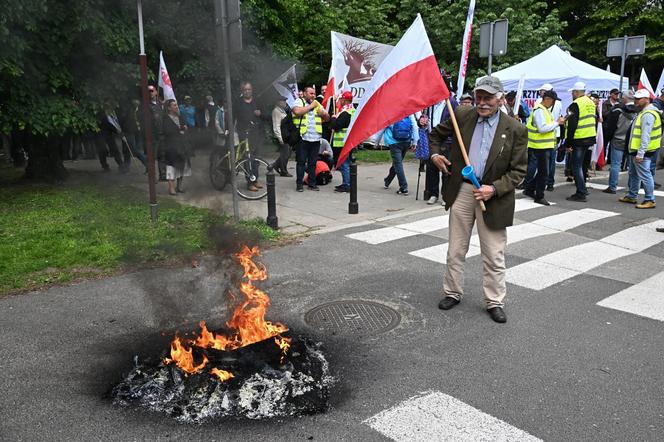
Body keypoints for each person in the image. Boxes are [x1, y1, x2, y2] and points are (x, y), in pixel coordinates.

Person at [429, 76, 527, 324]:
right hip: (462, 190)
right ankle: (452, 291)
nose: (482, 103)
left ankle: (494, 301)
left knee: (494, 254)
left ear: (500, 98)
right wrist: (435, 155)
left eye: (488, 98)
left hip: (493, 196)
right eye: (479, 97)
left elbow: (518, 171)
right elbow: (435, 136)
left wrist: (493, 189)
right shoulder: (462, 114)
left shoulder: (515, 129)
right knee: (456, 249)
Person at [618, 89, 661, 209]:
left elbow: (645, 136)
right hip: (637, 150)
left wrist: (640, 153)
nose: (636, 101)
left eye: (638, 99)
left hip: (642, 151)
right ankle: (632, 195)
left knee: (645, 175)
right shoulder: (644, 112)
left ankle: (650, 199)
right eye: (635, 98)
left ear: (647, 99)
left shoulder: (648, 114)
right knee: (634, 174)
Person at [523, 90, 566, 205]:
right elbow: (542, 129)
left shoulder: (543, 110)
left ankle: (530, 189)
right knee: (543, 173)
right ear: (547, 99)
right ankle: (539, 196)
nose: (553, 104)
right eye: (553, 101)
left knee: (542, 172)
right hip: (539, 146)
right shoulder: (540, 111)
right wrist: (557, 123)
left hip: (542, 145)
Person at [291, 85, 330, 191]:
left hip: (316, 138)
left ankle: (312, 184)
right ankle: (299, 184)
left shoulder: (317, 104)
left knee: (313, 163)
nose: (313, 95)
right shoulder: (299, 102)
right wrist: (311, 106)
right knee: (301, 162)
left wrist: (324, 114)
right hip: (303, 137)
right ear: (304, 93)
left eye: (314, 93)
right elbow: (297, 112)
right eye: (311, 93)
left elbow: (327, 118)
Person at [564, 82, 597, 202]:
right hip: (589, 137)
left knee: (576, 166)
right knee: (582, 165)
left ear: (577, 92)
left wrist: (568, 143)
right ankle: (583, 189)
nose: (572, 94)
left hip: (579, 138)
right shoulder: (590, 103)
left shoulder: (575, 104)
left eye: (573, 92)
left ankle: (581, 192)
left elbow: (572, 125)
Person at [602, 90, 637, 194]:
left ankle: (612, 187)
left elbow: (611, 126)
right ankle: (632, 189)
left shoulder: (618, 109)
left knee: (615, 164)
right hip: (632, 140)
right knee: (632, 166)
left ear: (624, 98)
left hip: (618, 139)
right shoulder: (639, 110)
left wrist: (607, 139)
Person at [425, 97, 457, 204]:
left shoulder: (451, 102)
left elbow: (456, 122)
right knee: (431, 169)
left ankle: (445, 195)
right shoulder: (430, 103)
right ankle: (433, 194)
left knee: (446, 169)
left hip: (447, 141)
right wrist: (422, 121)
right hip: (432, 140)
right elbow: (425, 117)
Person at [534, 84, 565, 192]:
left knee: (543, 165)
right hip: (550, 136)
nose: (540, 93)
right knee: (548, 164)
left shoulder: (540, 104)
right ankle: (548, 183)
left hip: (545, 138)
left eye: (541, 91)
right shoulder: (543, 107)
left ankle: (535, 186)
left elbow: (542, 126)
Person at [235, 82, 263, 192]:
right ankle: (250, 182)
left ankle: (255, 179)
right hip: (244, 133)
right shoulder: (238, 103)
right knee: (248, 158)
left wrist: (260, 114)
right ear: (242, 91)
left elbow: (265, 116)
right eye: (245, 89)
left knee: (256, 159)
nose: (247, 91)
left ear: (252, 90)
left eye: (249, 89)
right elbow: (232, 117)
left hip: (256, 133)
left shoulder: (257, 102)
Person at [383, 114, 419, 195]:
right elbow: (415, 126)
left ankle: (404, 187)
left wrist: (376, 141)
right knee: (397, 163)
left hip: (393, 142)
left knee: (398, 164)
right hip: (406, 141)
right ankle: (387, 180)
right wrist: (415, 141)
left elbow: (382, 127)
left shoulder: (391, 111)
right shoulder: (409, 111)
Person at [161, 99, 191, 195]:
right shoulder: (166, 118)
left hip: (181, 145)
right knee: (171, 167)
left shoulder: (179, 117)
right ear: (169, 108)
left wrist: (184, 128)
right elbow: (167, 131)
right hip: (171, 146)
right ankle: (171, 188)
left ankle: (179, 186)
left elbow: (183, 127)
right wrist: (179, 131)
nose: (176, 106)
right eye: (174, 105)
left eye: (176, 105)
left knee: (181, 166)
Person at [329, 91, 355, 192]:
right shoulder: (352, 110)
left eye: (341, 99)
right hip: (348, 141)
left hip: (342, 142)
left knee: (344, 164)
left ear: (344, 100)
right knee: (346, 163)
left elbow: (336, 126)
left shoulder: (345, 113)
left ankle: (346, 185)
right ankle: (347, 183)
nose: (339, 101)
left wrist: (333, 118)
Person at [271, 97, 291, 177]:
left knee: (287, 152)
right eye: (283, 101)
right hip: (281, 136)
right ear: (278, 102)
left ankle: (275, 165)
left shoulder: (282, 111)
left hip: (285, 135)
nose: (285, 102)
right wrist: (280, 139)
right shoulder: (276, 111)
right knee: (285, 154)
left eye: (285, 101)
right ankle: (283, 171)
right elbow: (276, 126)